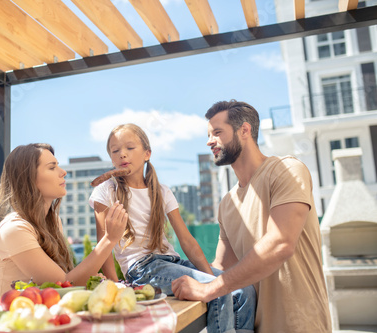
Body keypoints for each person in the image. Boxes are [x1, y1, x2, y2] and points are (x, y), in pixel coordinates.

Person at [172, 100, 332, 333]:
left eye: (217, 132)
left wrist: (209, 289)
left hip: (300, 326)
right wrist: (171, 282)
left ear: (244, 130)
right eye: (209, 135)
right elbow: (221, 267)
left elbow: (280, 244)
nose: (209, 141)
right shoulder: (228, 203)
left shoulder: (285, 170)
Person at [89, 123, 256, 333]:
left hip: (172, 261)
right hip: (143, 269)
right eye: (115, 151)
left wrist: (212, 278)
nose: (122, 154)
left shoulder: (162, 191)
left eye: (130, 148)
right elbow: (102, 246)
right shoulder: (106, 191)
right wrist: (115, 285)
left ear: (147, 153)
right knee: (219, 292)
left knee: (244, 290)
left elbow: (187, 241)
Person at [0, 143, 128, 303]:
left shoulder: (53, 221)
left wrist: (89, 278)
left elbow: (65, 281)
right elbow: (63, 286)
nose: (63, 172)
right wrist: (109, 239)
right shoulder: (13, 229)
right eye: (52, 167)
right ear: (29, 178)